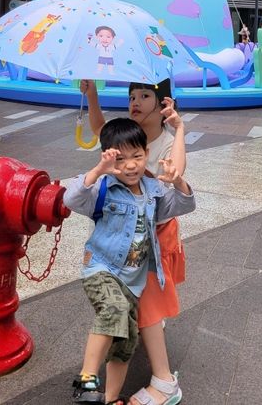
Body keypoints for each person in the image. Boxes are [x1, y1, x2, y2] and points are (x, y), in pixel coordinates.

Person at [64, 118, 195, 405]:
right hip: (102, 268)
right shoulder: (104, 188)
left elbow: (184, 205)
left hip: (133, 281)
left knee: (125, 343)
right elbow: (72, 198)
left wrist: (177, 182)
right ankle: (86, 381)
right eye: (121, 159)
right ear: (109, 158)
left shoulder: (153, 190)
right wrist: (99, 170)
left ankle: (108, 399)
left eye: (137, 156)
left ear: (146, 152)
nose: (131, 165)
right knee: (114, 309)